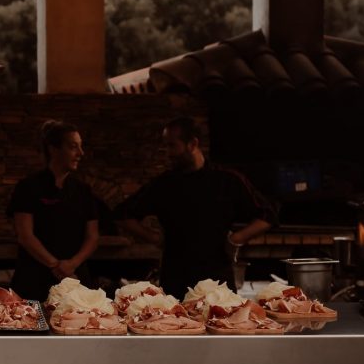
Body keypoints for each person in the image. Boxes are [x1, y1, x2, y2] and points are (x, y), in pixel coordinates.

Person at [116, 116, 276, 299]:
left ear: (192, 144)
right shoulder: (163, 184)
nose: (167, 152)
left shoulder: (227, 180)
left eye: (172, 145)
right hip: (176, 282)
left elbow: (268, 214)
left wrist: (237, 238)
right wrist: (154, 238)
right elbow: (123, 214)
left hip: (218, 282)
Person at [7, 120, 100, 300]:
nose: (80, 153)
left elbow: (93, 236)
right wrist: (56, 266)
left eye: (81, 147)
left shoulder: (83, 191)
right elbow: (25, 235)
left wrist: (72, 265)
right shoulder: (28, 187)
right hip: (34, 277)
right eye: (73, 147)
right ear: (53, 149)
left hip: (76, 276)